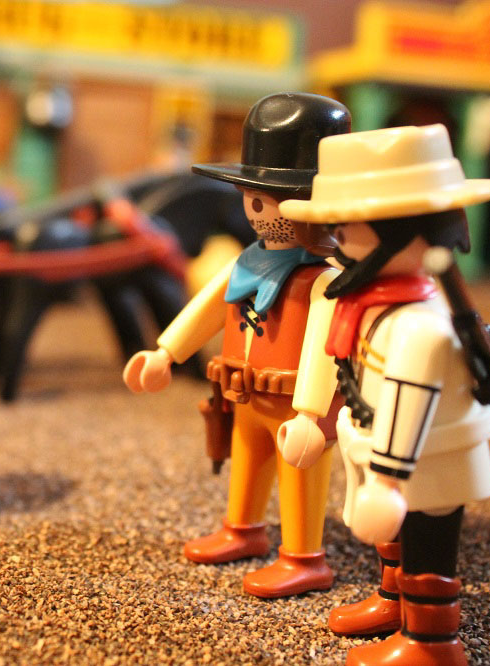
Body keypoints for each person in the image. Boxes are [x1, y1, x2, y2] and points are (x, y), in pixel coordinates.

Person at [278, 124, 490, 665]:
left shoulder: (421, 325)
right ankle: (392, 601)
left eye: (344, 227)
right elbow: (343, 363)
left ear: (403, 231)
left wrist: (387, 479)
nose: (334, 239)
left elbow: (409, 396)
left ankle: (431, 641)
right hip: (379, 442)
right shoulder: (364, 302)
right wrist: (313, 416)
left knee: (428, 545)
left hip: (428, 455)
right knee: (397, 538)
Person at [124, 93, 349, 598]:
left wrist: (313, 412)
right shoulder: (247, 262)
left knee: (299, 474)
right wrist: (166, 353)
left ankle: (304, 556)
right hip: (243, 392)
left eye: (268, 198)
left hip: (295, 404)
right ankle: (243, 529)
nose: (255, 209)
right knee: (246, 460)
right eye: (252, 197)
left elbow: (325, 347)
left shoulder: (323, 279)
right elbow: (206, 307)